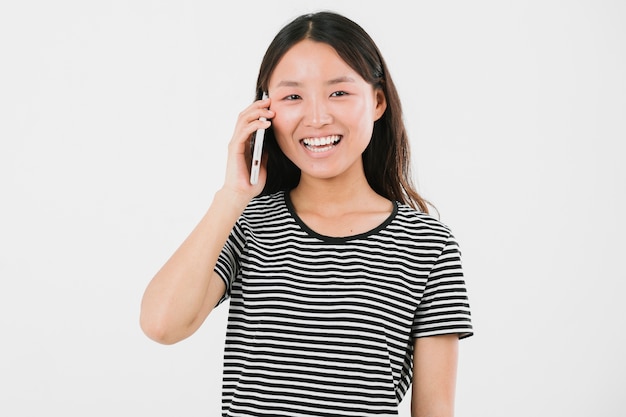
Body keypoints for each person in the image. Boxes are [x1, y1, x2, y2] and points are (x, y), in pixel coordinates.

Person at [140, 11, 473, 417]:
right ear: (265, 111)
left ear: (378, 102)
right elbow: (161, 325)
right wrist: (232, 195)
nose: (316, 117)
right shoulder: (248, 223)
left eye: (338, 93)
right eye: (293, 96)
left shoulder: (428, 244)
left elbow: (435, 409)